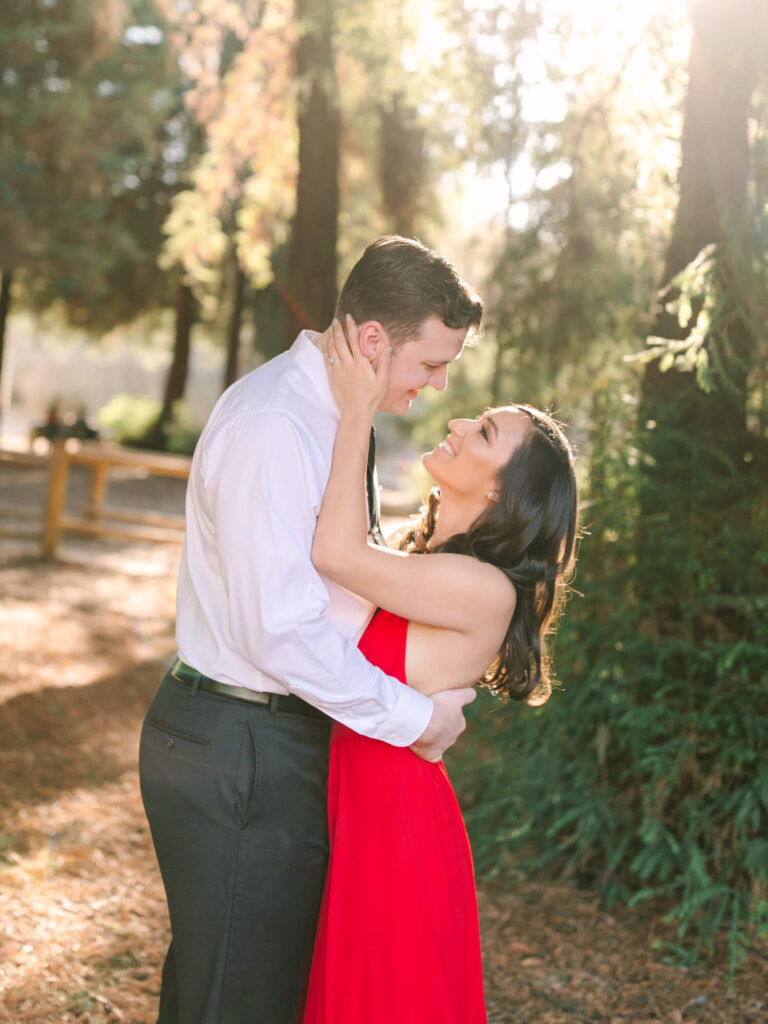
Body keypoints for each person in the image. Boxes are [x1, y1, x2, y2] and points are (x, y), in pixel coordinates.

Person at [138, 236, 484, 1024]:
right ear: (372, 341)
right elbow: (281, 630)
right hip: (241, 746)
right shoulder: (277, 424)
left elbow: (333, 582)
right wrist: (414, 719)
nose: (434, 388)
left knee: (232, 988)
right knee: (236, 999)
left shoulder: (328, 416)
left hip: (267, 741)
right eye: (429, 365)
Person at [301, 318, 579, 1023]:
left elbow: (333, 554)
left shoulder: (484, 587)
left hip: (393, 839)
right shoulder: (420, 556)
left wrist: (358, 404)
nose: (457, 420)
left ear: (501, 493)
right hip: (358, 818)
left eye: (483, 433)